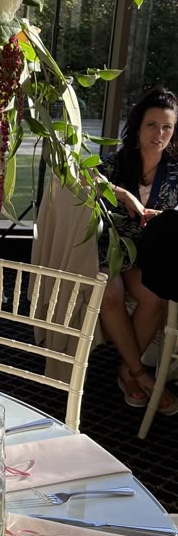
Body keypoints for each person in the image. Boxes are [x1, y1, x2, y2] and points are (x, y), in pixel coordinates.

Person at [98, 86, 178, 414]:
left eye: (167, 127)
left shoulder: (176, 171)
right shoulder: (115, 162)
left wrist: (167, 219)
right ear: (139, 125)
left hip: (149, 257)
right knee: (108, 293)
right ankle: (142, 376)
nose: (158, 133)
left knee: (154, 297)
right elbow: (79, 176)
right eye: (152, 124)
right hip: (108, 250)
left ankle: (128, 372)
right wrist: (122, 194)